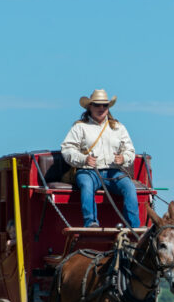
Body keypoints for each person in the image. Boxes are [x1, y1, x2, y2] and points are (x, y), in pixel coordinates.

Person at [59, 89, 140, 228]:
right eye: (97, 105)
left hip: (113, 172)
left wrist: (123, 158)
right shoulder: (80, 127)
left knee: (129, 187)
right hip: (88, 171)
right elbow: (67, 149)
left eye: (105, 105)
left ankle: (133, 227)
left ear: (108, 107)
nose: (101, 108)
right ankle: (91, 223)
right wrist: (83, 159)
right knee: (86, 184)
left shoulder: (119, 128)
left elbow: (130, 151)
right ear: (90, 107)